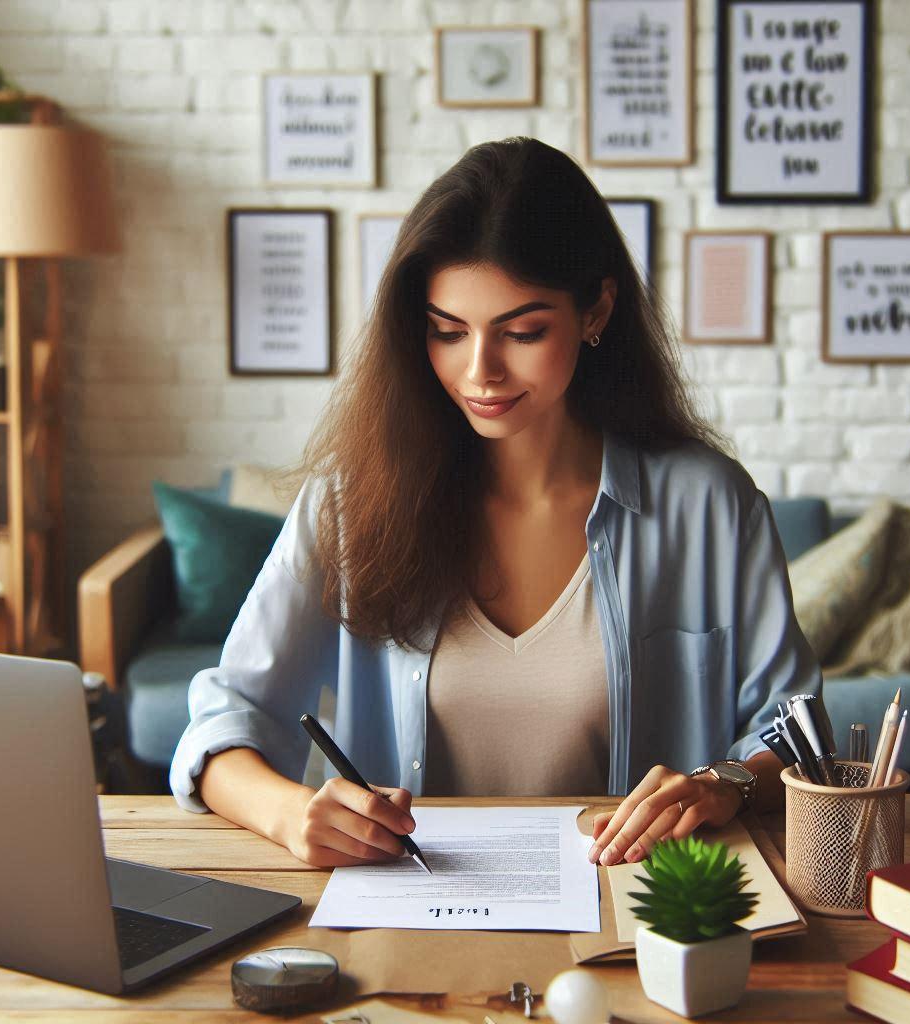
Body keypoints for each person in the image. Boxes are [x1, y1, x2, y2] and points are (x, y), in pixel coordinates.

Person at [169, 136, 822, 870]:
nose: (480, 371)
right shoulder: (351, 508)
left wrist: (724, 783)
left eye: (522, 332)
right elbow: (222, 722)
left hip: (635, 914)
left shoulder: (710, 507)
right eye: (448, 332)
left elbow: (797, 732)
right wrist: (291, 815)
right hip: (409, 913)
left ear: (597, 311)